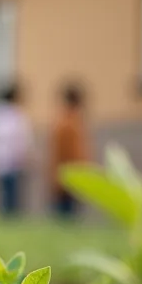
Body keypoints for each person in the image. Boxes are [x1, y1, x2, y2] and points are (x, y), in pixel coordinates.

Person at [0, 83, 33, 217]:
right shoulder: (16, 115)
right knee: (10, 191)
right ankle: (8, 215)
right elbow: (22, 138)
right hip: (10, 159)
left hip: (0, 158)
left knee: (5, 191)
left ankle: (6, 214)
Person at [49, 82, 90, 218]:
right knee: (66, 218)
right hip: (68, 178)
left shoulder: (70, 121)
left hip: (68, 176)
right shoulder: (68, 123)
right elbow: (70, 153)